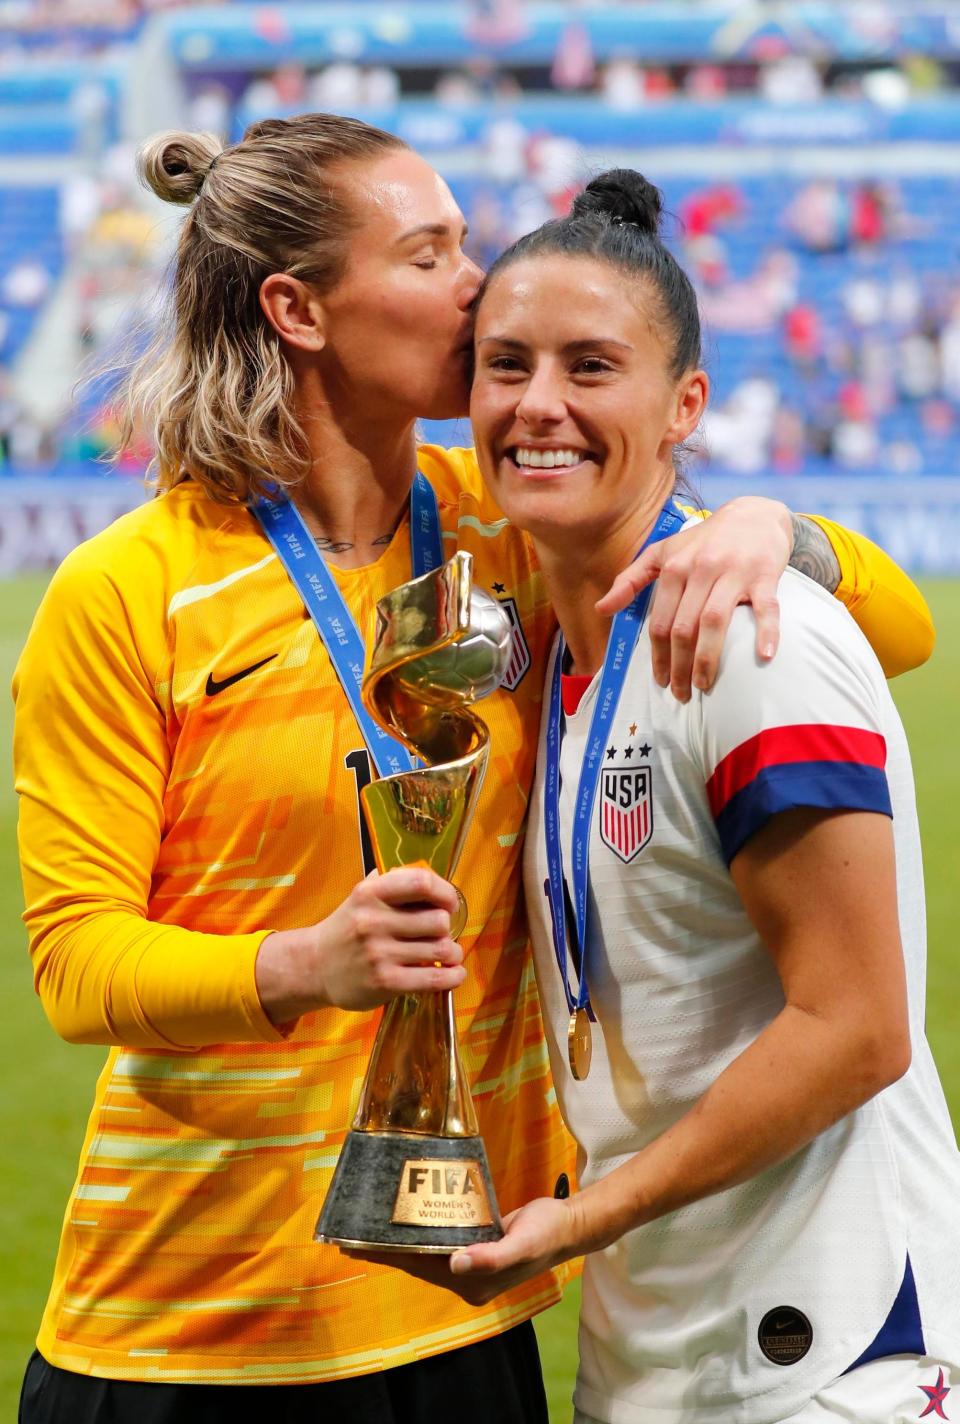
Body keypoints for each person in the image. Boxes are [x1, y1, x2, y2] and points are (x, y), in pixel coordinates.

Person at [12, 118, 935, 1424]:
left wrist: (769, 527)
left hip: (456, 1303)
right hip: (186, 1322)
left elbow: (898, 630)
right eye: (434, 251)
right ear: (299, 309)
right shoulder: (126, 592)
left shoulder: (508, 526)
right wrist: (301, 964)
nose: (478, 278)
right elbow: (75, 963)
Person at [418, 169, 960, 1423]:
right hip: (657, 1338)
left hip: (832, 1347)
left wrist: (583, 1214)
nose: (539, 404)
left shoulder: (757, 640)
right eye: (506, 364)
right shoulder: (546, 648)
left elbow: (861, 1025)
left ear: (686, 407)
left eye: (592, 365)